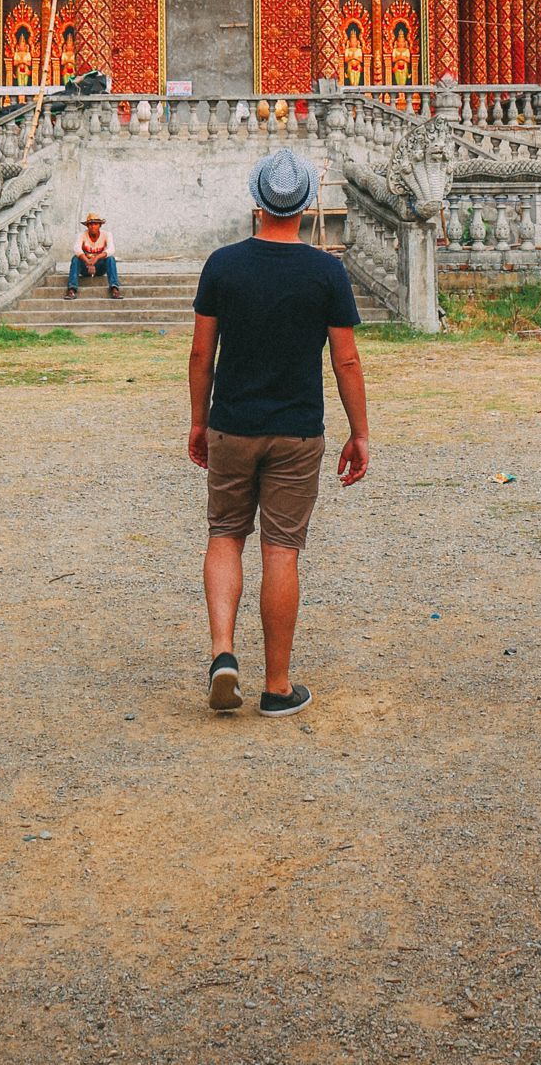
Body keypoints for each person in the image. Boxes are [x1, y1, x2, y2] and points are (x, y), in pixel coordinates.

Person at [187, 147, 369, 717]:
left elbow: (200, 353)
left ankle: (223, 654)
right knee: (281, 550)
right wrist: (359, 432)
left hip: (232, 424)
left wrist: (198, 420)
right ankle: (278, 685)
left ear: (256, 200)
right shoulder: (326, 272)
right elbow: (346, 363)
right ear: (306, 203)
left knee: (225, 534)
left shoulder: (223, 265)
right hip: (296, 429)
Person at [67, 211, 120, 298]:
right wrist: (87, 261)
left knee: (111, 259)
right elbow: (77, 249)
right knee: (75, 259)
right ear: (87, 226)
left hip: (100, 267)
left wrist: (97, 257)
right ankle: (72, 289)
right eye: (90, 224)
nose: (93, 226)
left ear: (100, 225)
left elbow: (111, 249)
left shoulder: (107, 234)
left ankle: (114, 288)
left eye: (95, 224)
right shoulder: (82, 235)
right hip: (85, 268)